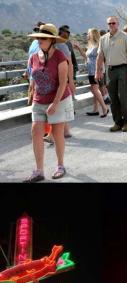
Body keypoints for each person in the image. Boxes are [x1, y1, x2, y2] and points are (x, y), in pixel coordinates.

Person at [24, 23, 72, 183]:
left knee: (58, 133)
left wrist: (55, 103)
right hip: (39, 99)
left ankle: (60, 165)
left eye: (43, 38)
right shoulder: (33, 57)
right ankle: (39, 171)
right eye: (38, 37)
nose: (39, 40)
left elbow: (63, 82)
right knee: (35, 131)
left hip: (59, 99)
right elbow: (32, 77)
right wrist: (31, 92)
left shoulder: (60, 57)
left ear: (52, 41)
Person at [97, 16, 127, 132]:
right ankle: (117, 122)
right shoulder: (103, 39)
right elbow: (100, 56)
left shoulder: (125, 37)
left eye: (113, 23)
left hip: (123, 69)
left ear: (118, 24)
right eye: (109, 23)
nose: (111, 25)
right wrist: (97, 70)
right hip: (110, 70)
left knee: (123, 97)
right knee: (113, 98)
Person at [84, 28, 109, 117]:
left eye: (88, 33)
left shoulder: (99, 45)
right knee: (95, 90)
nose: (87, 35)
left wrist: (100, 71)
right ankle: (95, 110)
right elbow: (88, 57)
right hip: (91, 71)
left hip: (96, 70)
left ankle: (104, 108)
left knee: (94, 89)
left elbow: (102, 58)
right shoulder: (90, 45)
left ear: (93, 34)